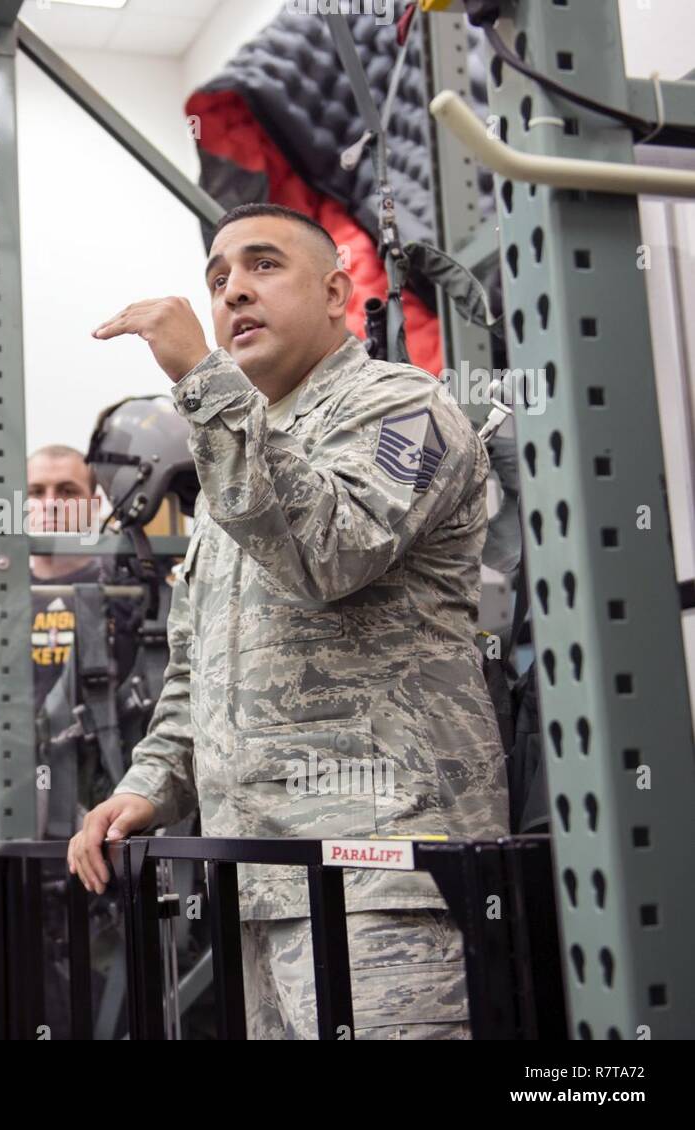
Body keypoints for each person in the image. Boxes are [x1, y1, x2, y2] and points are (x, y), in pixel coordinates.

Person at [70, 202, 508, 1040]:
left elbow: (327, 554)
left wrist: (201, 379)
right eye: (218, 279)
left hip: (381, 879)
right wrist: (145, 787)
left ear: (339, 290)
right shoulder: (239, 452)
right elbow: (202, 674)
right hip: (258, 886)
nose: (233, 291)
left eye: (263, 265)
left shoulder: (403, 406)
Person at [0, 445, 104, 1039]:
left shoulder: (134, 599)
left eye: (67, 492)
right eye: (36, 493)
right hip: (7, 848)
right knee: (2, 1003)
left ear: (95, 504)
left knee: (103, 1000)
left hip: (107, 844)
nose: (51, 506)